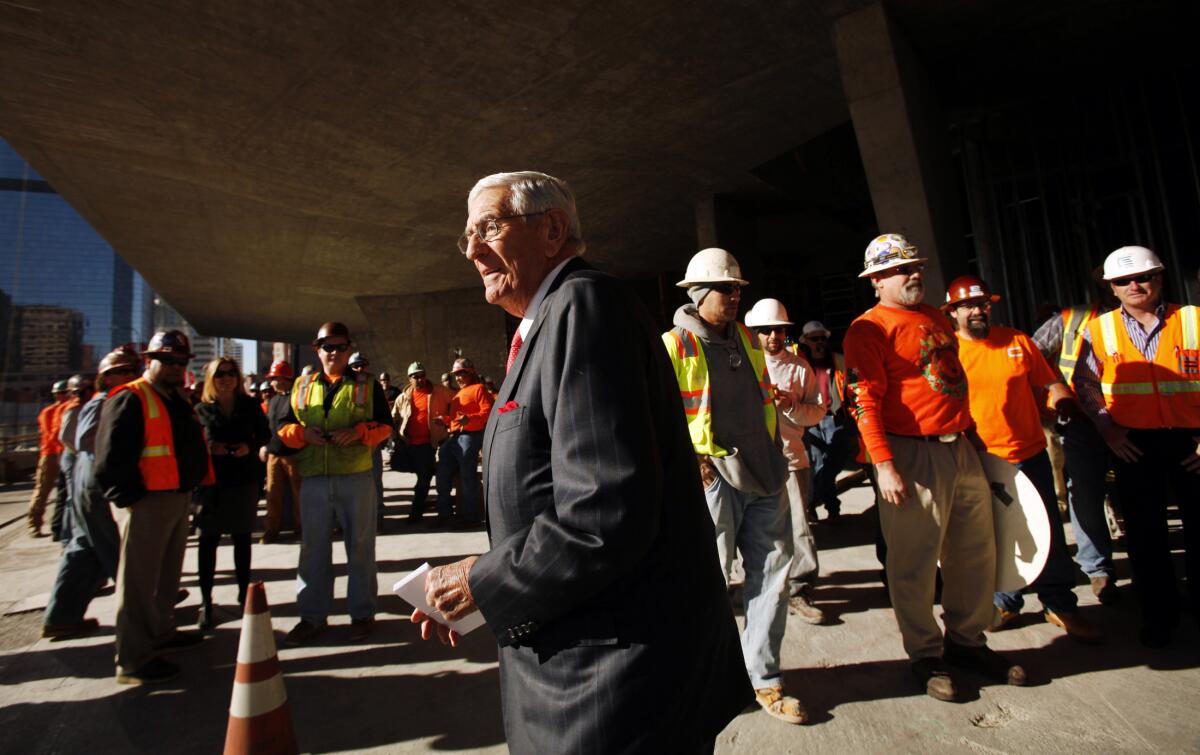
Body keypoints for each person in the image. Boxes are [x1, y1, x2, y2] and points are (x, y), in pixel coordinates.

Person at [412, 171, 750, 753]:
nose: (472, 249)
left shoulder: (583, 305)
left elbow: (603, 513)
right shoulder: (543, 323)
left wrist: (484, 579)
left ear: (552, 230)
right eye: (466, 235)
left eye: (489, 227)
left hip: (612, 686)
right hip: (582, 668)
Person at [844, 234, 1025, 702]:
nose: (915, 274)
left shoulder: (933, 317)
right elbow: (863, 399)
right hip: (911, 454)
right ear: (877, 279)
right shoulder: (869, 329)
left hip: (959, 447)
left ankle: (967, 642)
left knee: (975, 554)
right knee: (915, 563)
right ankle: (925, 655)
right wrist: (883, 465)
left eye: (917, 266)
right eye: (903, 269)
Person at [663, 248, 805, 725]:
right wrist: (692, 460)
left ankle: (763, 678)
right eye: (727, 289)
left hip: (764, 473)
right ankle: (702, 679)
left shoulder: (746, 338)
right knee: (708, 583)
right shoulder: (675, 345)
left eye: (738, 288)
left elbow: (761, 398)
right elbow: (660, 419)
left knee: (774, 577)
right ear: (700, 294)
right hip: (714, 479)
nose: (736, 296)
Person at [944, 275, 1102, 643]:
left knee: (1046, 532)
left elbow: (1048, 382)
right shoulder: (947, 353)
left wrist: (1064, 401)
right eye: (968, 306)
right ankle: (1004, 602)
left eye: (982, 304)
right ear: (952, 312)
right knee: (994, 535)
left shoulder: (1017, 341)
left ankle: (1060, 603)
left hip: (1030, 456)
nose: (977, 311)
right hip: (980, 459)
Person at [1073, 245, 1200, 648]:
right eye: (1123, 281)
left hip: (1191, 441)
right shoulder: (1098, 329)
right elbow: (1087, 384)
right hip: (1133, 443)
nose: (1134, 285)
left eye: (1142, 277)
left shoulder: (1193, 320)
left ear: (1159, 278)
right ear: (1111, 288)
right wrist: (1108, 430)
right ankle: (1159, 616)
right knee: (1145, 536)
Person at [94, 330, 212, 684]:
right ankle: (133, 659)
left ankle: (162, 633)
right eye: (168, 360)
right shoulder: (130, 397)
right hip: (147, 503)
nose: (176, 367)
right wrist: (132, 500)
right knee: (138, 583)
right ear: (150, 360)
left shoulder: (176, 398)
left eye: (181, 361)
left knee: (166, 576)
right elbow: (109, 459)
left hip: (177, 497)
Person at [277, 322, 392, 645]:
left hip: (355, 475)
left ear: (349, 349)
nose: (334, 353)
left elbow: (385, 426)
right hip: (314, 477)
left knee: (360, 547)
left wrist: (359, 432)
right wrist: (303, 435)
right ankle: (312, 617)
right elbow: (284, 426)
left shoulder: (367, 385)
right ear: (317, 349)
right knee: (313, 549)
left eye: (340, 347)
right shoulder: (302, 385)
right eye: (328, 347)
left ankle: (362, 613)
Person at [1032, 282, 1121, 604]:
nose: (1129, 287)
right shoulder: (1070, 320)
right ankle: (1098, 570)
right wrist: (1055, 392)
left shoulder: (1154, 320)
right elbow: (1031, 357)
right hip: (1082, 422)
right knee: (1085, 494)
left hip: (1137, 422)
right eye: (1119, 283)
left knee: (1140, 499)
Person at [42, 349, 139, 638]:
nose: (131, 374)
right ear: (105, 376)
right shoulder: (104, 402)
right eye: (123, 370)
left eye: (133, 369)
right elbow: (82, 439)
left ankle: (61, 615)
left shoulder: (104, 401)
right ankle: (144, 605)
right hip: (96, 485)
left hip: (89, 481)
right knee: (116, 549)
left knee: (83, 549)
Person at [745, 298, 828, 625]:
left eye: (778, 330)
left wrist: (792, 404)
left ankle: (800, 589)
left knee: (798, 527)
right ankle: (763, 588)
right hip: (751, 463)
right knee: (754, 530)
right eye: (765, 331)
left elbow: (817, 411)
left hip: (791, 461)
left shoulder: (798, 368)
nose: (772, 337)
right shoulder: (744, 364)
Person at [194, 358, 270, 630]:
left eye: (230, 373)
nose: (225, 378)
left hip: (242, 481)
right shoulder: (201, 409)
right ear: (210, 379)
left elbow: (265, 434)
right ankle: (206, 602)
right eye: (219, 374)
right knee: (207, 543)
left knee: (242, 540)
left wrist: (249, 447)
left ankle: (243, 596)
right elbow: (190, 443)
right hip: (210, 486)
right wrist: (209, 449)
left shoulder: (249, 406)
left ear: (238, 378)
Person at [799, 320, 853, 522]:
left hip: (834, 417)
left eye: (822, 338)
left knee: (831, 464)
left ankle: (816, 500)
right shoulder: (802, 365)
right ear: (806, 341)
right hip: (811, 420)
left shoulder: (839, 361)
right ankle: (828, 507)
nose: (820, 342)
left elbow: (854, 383)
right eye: (815, 339)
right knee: (815, 464)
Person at [433, 357, 493, 529]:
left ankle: (470, 517)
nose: (458, 378)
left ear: (471, 373)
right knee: (442, 475)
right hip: (453, 438)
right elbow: (455, 419)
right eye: (456, 375)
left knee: (467, 478)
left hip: (469, 437)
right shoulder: (458, 394)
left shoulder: (479, 389)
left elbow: (488, 412)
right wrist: (444, 420)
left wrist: (470, 419)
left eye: (461, 374)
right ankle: (445, 513)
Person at [392, 361, 452, 525]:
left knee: (423, 480)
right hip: (410, 444)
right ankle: (422, 507)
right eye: (415, 376)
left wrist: (448, 421)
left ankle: (416, 513)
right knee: (421, 476)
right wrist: (395, 438)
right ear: (409, 379)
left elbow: (455, 402)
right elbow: (394, 417)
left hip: (429, 443)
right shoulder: (404, 396)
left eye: (422, 375)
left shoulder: (439, 391)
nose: (420, 379)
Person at [259, 360, 302, 543]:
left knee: (299, 495)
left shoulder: (296, 398)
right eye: (273, 379)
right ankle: (271, 530)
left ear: (285, 379)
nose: (273, 382)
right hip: (274, 455)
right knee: (272, 495)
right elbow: (269, 427)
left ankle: (301, 528)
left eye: (276, 378)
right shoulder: (274, 400)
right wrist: (265, 446)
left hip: (294, 454)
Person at [27, 380, 70, 537]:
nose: (65, 396)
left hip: (66, 452)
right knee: (42, 489)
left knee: (65, 492)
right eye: (62, 393)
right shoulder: (49, 412)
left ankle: (60, 525)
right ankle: (34, 524)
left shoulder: (70, 408)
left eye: (67, 393)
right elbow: (51, 434)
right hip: (51, 454)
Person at [55, 374, 95, 542]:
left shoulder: (86, 406)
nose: (84, 394)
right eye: (80, 391)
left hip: (76, 456)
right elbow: (65, 437)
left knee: (76, 497)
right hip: (72, 457)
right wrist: (79, 453)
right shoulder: (73, 408)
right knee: (73, 498)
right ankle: (68, 537)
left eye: (88, 389)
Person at [351, 351, 387, 518]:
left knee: (374, 482)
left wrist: (373, 438)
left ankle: (378, 515)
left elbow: (384, 420)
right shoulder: (342, 386)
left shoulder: (374, 386)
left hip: (371, 443)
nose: (359, 369)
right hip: (348, 445)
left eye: (362, 365)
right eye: (355, 366)